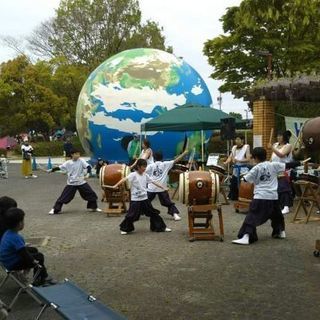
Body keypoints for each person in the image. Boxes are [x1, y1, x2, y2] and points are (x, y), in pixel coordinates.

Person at [232, 147, 301, 245]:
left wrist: (246, 176)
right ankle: (280, 232)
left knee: (252, 216)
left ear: (255, 158)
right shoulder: (273, 165)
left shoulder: (256, 168)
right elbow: (288, 165)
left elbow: (246, 180)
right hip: (273, 197)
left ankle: (246, 236)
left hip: (260, 196)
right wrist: (300, 163)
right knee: (277, 215)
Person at [109, 159, 171, 235]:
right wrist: (116, 185)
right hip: (135, 199)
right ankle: (124, 228)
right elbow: (124, 179)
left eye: (145, 166)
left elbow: (154, 182)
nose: (145, 168)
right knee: (131, 215)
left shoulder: (145, 175)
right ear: (138, 166)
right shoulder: (133, 175)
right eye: (143, 167)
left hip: (144, 198)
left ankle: (161, 227)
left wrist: (163, 188)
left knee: (153, 213)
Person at [0, 208, 54, 286]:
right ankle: (41, 278)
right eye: (23, 221)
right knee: (39, 257)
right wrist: (34, 261)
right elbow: (24, 254)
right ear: (19, 224)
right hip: (12, 264)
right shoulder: (15, 238)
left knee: (33, 250)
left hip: (6, 260)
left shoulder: (8, 233)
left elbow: (20, 249)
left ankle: (40, 276)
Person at [48, 149, 101, 215]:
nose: (78, 155)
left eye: (78, 154)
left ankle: (94, 207)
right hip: (71, 183)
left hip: (81, 182)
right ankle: (54, 209)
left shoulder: (81, 160)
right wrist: (52, 170)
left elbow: (88, 167)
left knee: (91, 194)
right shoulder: (68, 163)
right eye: (76, 154)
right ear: (72, 154)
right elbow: (60, 167)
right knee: (64, 197)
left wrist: (88, 173)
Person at [146, 150, 188, 221]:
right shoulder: (166, 164)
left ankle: (136, 214)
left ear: (154, 158)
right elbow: (176, 160)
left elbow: (142, 172)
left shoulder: (150, 166)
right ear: (162, 158)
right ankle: (175, 214)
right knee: (168, 202)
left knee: (144, 201)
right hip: (162, 188)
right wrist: (184, 153)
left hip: (151, 188)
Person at [269, 130, 293, 215]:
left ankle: (286, 206)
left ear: (284, 137)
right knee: (275, 188)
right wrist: (269, 164)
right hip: (274, 169)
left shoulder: (288, 146)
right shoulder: (275, 145)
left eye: (280, 136)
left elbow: (281, 155)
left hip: (284, 169)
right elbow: (273, 157)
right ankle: (278, 205)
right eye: (278, 136)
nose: (278, 137)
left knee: (284, 187)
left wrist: (272, 148)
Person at [224, 134, 250, 200]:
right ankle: (233, 197)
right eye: (236, 139)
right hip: (235, 169)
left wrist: (238, 160)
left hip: (243, 170)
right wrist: (226, 162)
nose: (236, 141)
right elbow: (230, 157)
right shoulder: (234, 147)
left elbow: (248, 159)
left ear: (242, 140)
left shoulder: (246, 147)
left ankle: (243, 197)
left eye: (238, 139)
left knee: (242, 185)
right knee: (233, 184)